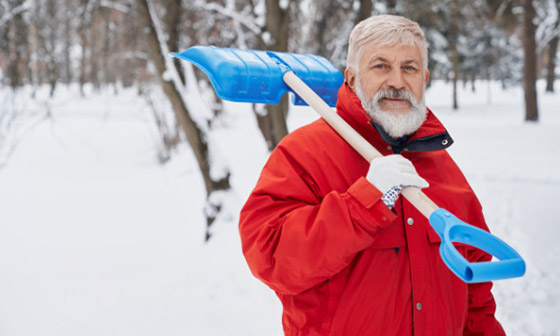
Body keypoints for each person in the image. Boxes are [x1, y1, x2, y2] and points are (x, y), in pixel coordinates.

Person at [239, 14, 505, 336]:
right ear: (351, 79)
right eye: (381, 66)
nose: (396, 81)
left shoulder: (440, 165)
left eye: (409, 67)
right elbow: (271, 258)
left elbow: (475, 292)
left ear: (425, 78)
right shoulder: (305, 154)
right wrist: (362, 202)